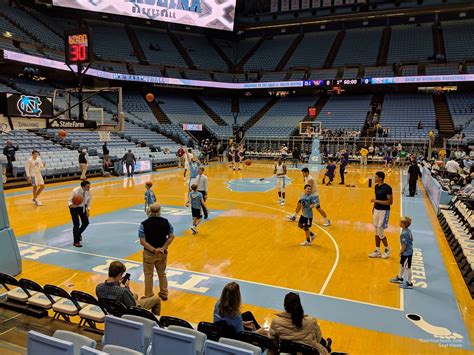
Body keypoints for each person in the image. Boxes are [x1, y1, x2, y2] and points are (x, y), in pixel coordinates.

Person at [96, 260, 161, 315]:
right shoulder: (123, 291)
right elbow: (133, 306)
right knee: (157, 299)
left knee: (136, 295)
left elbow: (111, 293)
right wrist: (126, 287)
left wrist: (118, 285)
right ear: (119, 274)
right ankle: (155, 323)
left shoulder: (99, 287)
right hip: (128, 312)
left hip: (111, 310)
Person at [139, 203, 175, 301]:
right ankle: (164, 293)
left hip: (149, 254)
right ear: (159, 211)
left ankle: (148, 295)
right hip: (162, 253)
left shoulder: (144, 224)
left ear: (149, 211)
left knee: (148, 275)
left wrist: (154, 250)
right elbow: (171, 237)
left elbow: (142, 242)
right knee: (162, 273)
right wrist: (163, 248)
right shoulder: (166, 222)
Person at [369, 171, 392, 259]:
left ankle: (387, 249)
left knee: (380, 231)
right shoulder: (376, 187)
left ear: (380, 178)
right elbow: (377, 198)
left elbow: (390, 202)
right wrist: (374, 208)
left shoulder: (387, 188)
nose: (374, 178)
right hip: (376, 210)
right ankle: (377, 250)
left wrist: (376, 201)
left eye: (376, 177)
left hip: (384, 211)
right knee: (376, 231)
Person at [390, 217, 414, 289]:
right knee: (402, 265)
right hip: (408, 251)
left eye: (401, 222)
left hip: (407, 253)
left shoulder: (404, 234)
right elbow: (412, 238)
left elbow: (404, 245)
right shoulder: (407, 230)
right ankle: (400, 278)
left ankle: (409, 283)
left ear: (404, 224)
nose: (399, 223)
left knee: (407, 268)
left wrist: (400, 252)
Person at [68, 180, 92, 247]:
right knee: (76, 224)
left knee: (86, 222)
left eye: (89, 186)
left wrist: (88, 210)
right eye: (87, 187)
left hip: (82, 207)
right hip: (74, 208)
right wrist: (72, 205)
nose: (89, 188)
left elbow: (89, 201)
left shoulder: (89, 192)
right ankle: (76, 242)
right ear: (83, 187)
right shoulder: (75, 191)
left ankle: (78, 234)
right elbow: (69, 200)